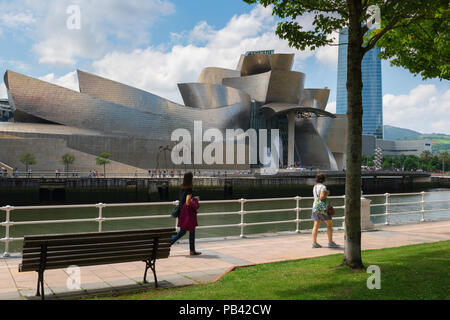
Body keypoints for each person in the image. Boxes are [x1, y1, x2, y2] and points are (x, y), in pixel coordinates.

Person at [170, 172, 201, 256]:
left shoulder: (181, 187)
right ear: (190, 179)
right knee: (185, 231)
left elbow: (183, 199)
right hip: (187, 213)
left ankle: (192, 250)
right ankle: (168, 243)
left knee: (189, 231)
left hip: (181, 211)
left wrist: (192, 197)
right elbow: (187, 202)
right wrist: (194, 200)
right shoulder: (189, 189)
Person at [311, 173, 339, 248]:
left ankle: (314, 243)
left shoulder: (315, 187)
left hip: (315, 207)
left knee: (315, 226)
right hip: (323, 208)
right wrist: (327, 193)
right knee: (329, 225)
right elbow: (322, 197)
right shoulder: (323, 187)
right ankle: (330, 242)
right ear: (323, 179)